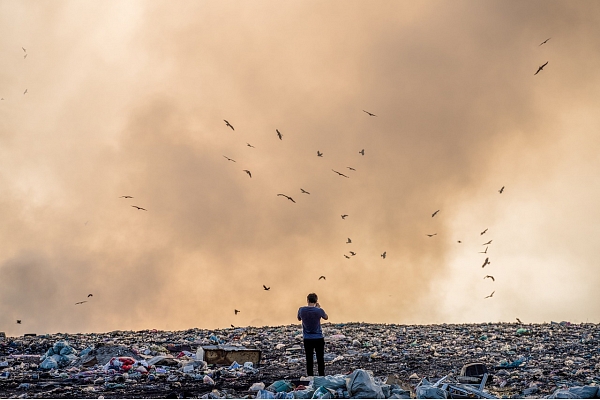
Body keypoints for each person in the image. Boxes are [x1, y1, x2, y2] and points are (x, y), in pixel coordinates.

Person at [297, 293, 328, 376]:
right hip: (318, 338)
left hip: (307, 338)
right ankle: (322, 376)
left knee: (309, 359)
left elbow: (299, 318)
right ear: (316, 301)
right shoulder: (319, 310)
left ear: (307, 300)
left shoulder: (301, 310)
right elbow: (326, 317)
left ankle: (310, 376)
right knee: (320, 358)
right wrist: (318, 308)